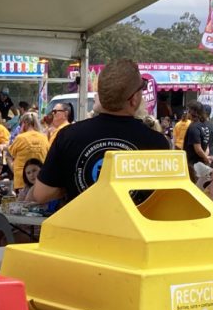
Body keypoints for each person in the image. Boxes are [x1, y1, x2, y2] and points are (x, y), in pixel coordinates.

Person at [29, 59, 170, 207]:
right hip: (132, 229)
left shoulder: (68, 135)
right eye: (142, 87)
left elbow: (41, 194)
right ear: (134, 99)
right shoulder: (157, 142)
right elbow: (165, 200)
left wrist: (72, 185)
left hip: (82, 227)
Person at [7, 111, 48, 189]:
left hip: (22, 181)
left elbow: (10, 153)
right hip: (40, 180)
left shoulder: (20, 138)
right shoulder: (44, 137)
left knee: (7, 155)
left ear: (24, 123)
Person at [182, 100, 213, 179]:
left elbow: (198, 148)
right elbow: (207, 146)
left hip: (193, 165)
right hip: (201, 164)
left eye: (188, 110)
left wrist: (206, 159)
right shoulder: (205, 126)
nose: (187, 113)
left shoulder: (194, 127)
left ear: (193, 112)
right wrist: (205, 157)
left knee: (194, 186)